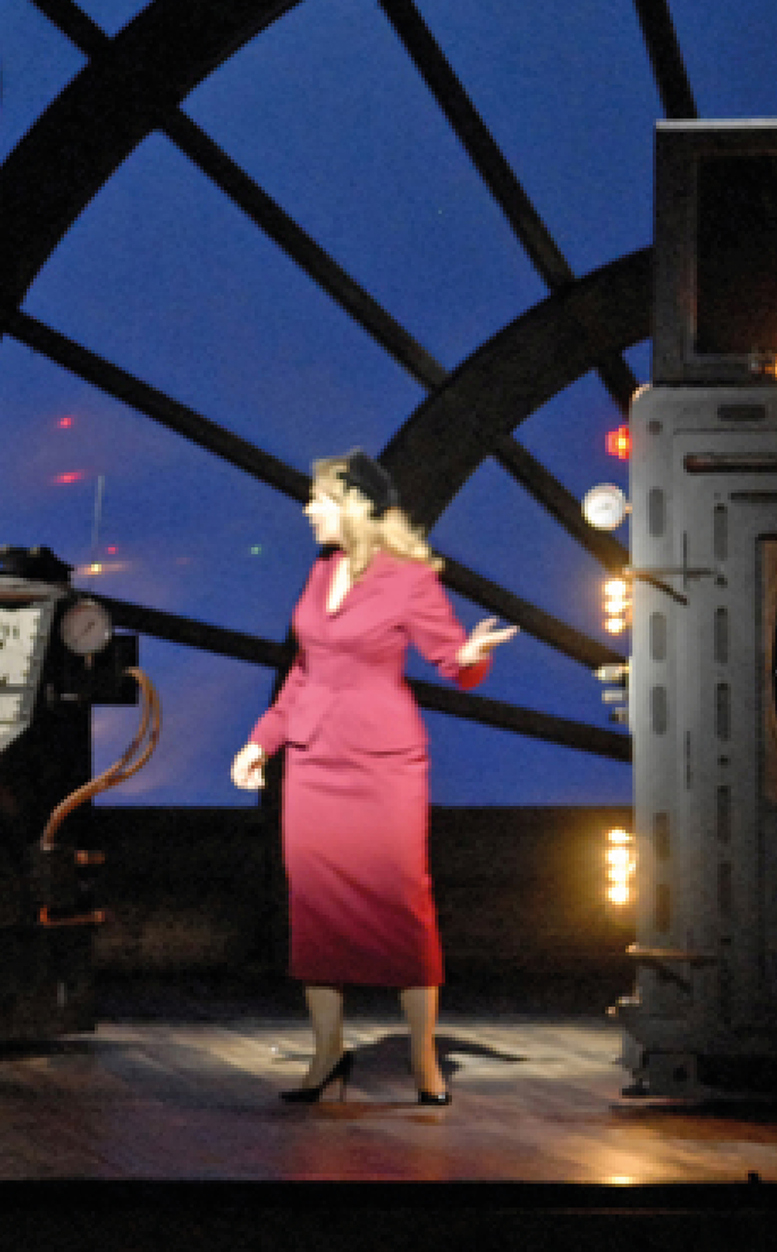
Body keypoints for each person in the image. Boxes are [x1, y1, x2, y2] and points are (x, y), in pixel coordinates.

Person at [230, 448, 516, 1106]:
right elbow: (305, 672)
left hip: (383, 763)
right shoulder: (320, 572)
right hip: (314, 760)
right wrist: (261, 742)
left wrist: (471, 655)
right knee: (315, 907)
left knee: (401, 901)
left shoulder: (407, 580)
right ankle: (327, 1053)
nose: (308, 509)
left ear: (356, 502)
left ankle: (422, 1057)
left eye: (319, 498)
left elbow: (452, 660)